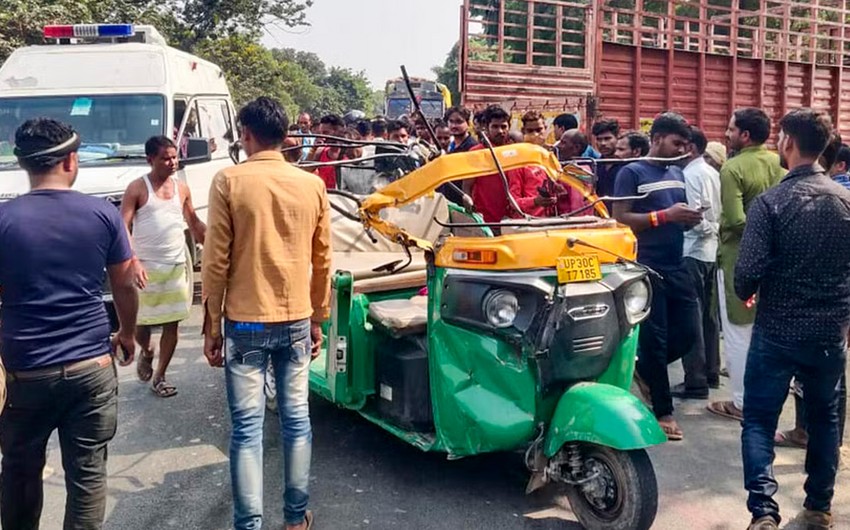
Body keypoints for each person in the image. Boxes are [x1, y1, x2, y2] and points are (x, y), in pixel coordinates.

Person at [0, 118, 138, 529]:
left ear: (24, 164)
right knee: (88, 474)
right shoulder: (101, 214)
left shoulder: (4, 220)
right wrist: (127, 333)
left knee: (20, 473)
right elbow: (126, 284)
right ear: (71, 159)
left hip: (25, 372)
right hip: (90, 369)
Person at [202, 97, 331, 530]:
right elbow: (323, 259)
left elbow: (215, 260)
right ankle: (295, 520)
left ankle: (249, 524)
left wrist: (212, 325)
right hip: (295, 319)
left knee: (247, 430)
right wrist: (318, 317)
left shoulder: (228, 181)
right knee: (297, 421)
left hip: (246, 320)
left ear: (248, 134)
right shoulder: (311, 185)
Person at [736, 108, 850, 530]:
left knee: (760, 422)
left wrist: (746, 292)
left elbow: (746, 274)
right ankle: (819, 507)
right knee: (825, 419)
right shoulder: (845, 201)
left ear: (786, 142)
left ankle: (763, 513)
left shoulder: (772, 202)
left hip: (777, 331)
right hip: (828, 333)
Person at [612, 112, 704, 441]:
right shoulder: (631, 172)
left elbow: (674, 215)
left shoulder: (677, 172)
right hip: (647, 265)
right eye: (676, 143)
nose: (681, 150)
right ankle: (663, 411)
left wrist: (688, 219)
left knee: (689, 334)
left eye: (685, 145)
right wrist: (665, 216)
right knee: (657, 337)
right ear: (657, 139)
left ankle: (644, 368)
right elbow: (621, 219)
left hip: (677, 262)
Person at [708, 108, 785, 423]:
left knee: (738, 333)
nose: (726, 135)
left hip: (739, 259)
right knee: (764, 333)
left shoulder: (733, 168)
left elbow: (736, 219)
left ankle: (740, 403)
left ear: (745, 135)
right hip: (775, 260)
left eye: (730, 130)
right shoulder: (779, 164)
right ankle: (766, 400)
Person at [120, 136, 206, 398]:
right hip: (145, 267)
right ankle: (147, 351)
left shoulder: (182, 189)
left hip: (176, 265)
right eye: (165, 158)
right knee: (141, 324)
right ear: (150, 160)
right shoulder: (137, 188)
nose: (172, 163)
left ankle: (160, 376)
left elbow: (193, 222)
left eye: (174, 157)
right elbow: (122, 227)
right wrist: (133, 261)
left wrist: (216, 244)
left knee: (172, 324)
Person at [675, 126, 721, 399]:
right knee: (707, 317)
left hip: (693, 250)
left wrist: (703, 227)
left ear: (690, 147)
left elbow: (695, 217)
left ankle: (696, 380)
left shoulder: (690, 174)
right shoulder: (711, 172)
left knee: (691, 318)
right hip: (709, 251)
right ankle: (711, 372)